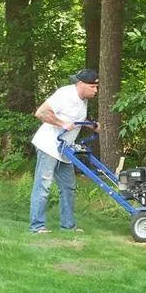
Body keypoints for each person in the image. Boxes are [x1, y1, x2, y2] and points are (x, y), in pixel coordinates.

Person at [29, 68, 100, 233]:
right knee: (43, 186)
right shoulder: (65, 94)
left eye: (96, 87)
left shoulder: (83, 100)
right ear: (81, 84)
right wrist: (61, 124)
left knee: (69, 187)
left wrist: (92, 126)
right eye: (92, 87)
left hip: (64, 149)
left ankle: (68, 226)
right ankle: (36, 227)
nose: (95, 90)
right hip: (48, 145)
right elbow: (41, 113)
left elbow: (75, 119)